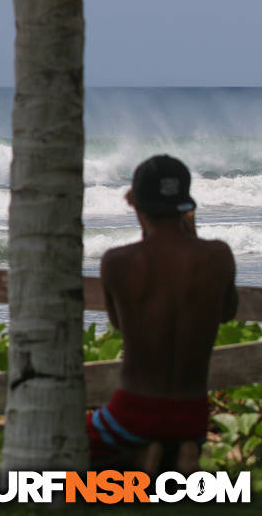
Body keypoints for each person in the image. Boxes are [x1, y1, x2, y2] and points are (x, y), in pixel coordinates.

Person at [89, 155, 238, 469]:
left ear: (138, 206)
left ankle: (140, 454)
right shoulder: (219, 256)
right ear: (186, 206)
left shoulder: (117, 262)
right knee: (180, 432)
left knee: (61, 450)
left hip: (132, 411)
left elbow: (119, 324)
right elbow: (227, 312)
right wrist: (191, 235)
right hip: (192, 414)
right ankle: (180, 451)